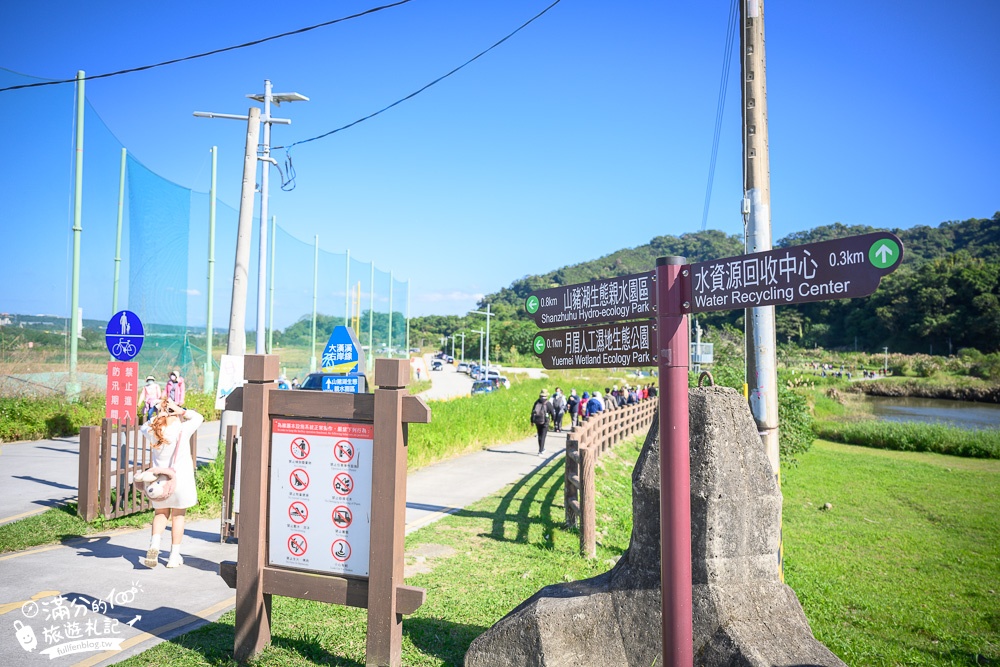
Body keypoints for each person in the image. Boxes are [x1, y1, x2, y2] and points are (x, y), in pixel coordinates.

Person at [139, 397, 203, 568]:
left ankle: (154, 546)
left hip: (160, 483)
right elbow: (198, 418)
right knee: (178, 516)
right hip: (180, 482)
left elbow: (144, 425)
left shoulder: (152, 431)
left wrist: (157, 411)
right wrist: (181, 410)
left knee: (160, 514)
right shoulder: (182, 429)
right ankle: (174, 557)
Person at [530, 390, 554, 456]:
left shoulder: (537, 402)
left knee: (539, 435)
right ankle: (541, 450)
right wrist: (553, 419)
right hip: (545, 421)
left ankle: (541, 449)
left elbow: (533, 412)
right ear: (546, 396)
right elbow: (552, 412)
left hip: (537, 421)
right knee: (543, 436)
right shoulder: (548, 403)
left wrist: (532, 421)